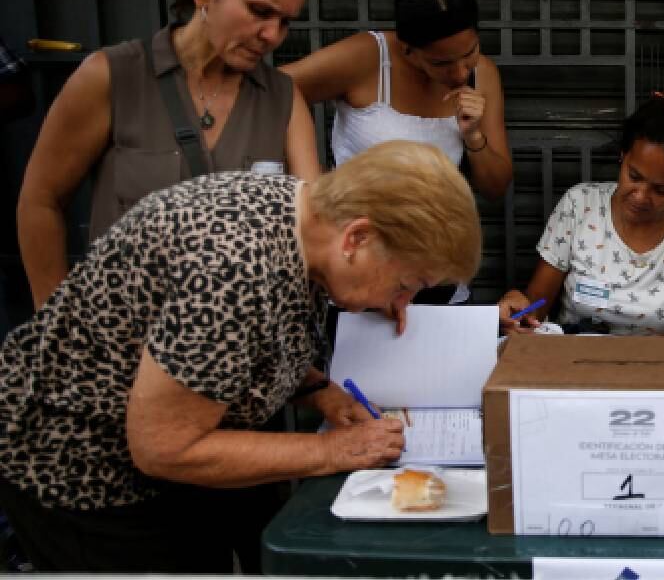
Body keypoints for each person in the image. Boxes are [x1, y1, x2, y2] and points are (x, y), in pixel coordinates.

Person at [0, 140, 482, 572]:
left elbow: (235, 348)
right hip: (86, 475)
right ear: (356, 238)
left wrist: (319, 390)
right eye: (405, 285)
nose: (401, 305)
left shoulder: (307, 215)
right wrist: (332, 451)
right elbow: (165, 448)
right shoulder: (230, 271)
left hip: (168, 462)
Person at [16, 0, 322, 311]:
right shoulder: (113, 76)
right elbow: (41, 201)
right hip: (123, 355)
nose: (273, 35)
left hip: (240, 359)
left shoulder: (283, 100)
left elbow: (315, 226)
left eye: (285, 22)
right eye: (258, 11)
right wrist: (56, 329)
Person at [498, 91, 664, 336]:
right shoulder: (579, 205)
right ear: (623, 155)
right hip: (576, 364)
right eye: (634, 176)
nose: (640, 196)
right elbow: (535, 310)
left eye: (661, 190)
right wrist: (519, 311)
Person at [282, 0, 513, 201]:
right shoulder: (369, 57)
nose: (462, 73)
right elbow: (275, 88)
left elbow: (496, 188)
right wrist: (310, 182)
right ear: (408, 50)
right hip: (355, 229)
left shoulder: (482, 74)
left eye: (470, 52)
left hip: (435, 233)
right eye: (442, 63)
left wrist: (473, 137)